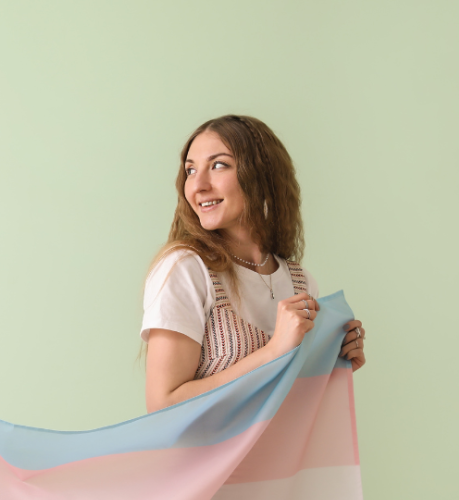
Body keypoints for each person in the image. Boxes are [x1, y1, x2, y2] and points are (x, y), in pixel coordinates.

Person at [141, 115, 365, 412]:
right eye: (191, 171)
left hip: (276, 459)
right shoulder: (186, 269)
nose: (199, 185)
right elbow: (163, 405)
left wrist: (334, 362)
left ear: (261, 174)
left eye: (218, 165)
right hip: (208, 460)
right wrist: (273, 352)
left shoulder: (301, 282)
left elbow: (288, 410)